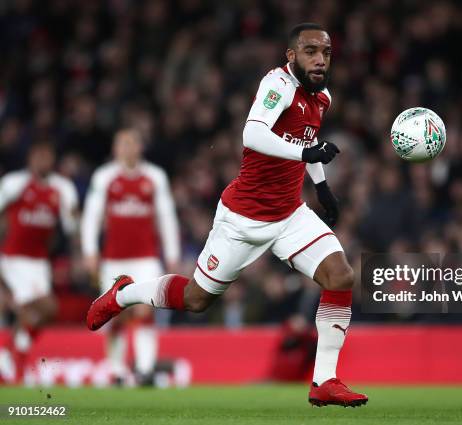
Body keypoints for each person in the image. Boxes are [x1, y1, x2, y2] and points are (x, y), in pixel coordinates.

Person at [87, 23, 367, 406]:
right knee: (196, 299)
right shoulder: (277, 86)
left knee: (340, 275)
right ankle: (124, 293)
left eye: (327, 53)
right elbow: (252, 134)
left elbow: (308, 138)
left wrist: (320, 186)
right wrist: (307, 156)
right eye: (311, 51)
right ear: (291, 56)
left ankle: (325, 381)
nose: (320, 59)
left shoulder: (321, 97)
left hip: (289, 215)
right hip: (243, 219)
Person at [81, 129, 180, 385]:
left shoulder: (155, 177)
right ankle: (117, 371)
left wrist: (172, 253)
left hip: (145, 257)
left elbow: (166, 216)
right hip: (113, 259)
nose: (127, 148)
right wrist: (89, 250)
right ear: (115, 149)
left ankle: (145, 369)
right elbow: (91, 215)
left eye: (132, 143)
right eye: (122, 144)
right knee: (116, 313)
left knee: (145, 310)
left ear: (140, 148)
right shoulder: (104, 177)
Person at [0, 142, 78, 383]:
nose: (42, 160)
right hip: (14, 258)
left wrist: (73, 218)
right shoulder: (14, 183)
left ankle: (9, 358)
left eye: (47, 155)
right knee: (43, 307)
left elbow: (70, 226)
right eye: (38, 155)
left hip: (40, 263)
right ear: (30, 159)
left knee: (38, 315)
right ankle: (17, 361)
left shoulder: (62, 188)